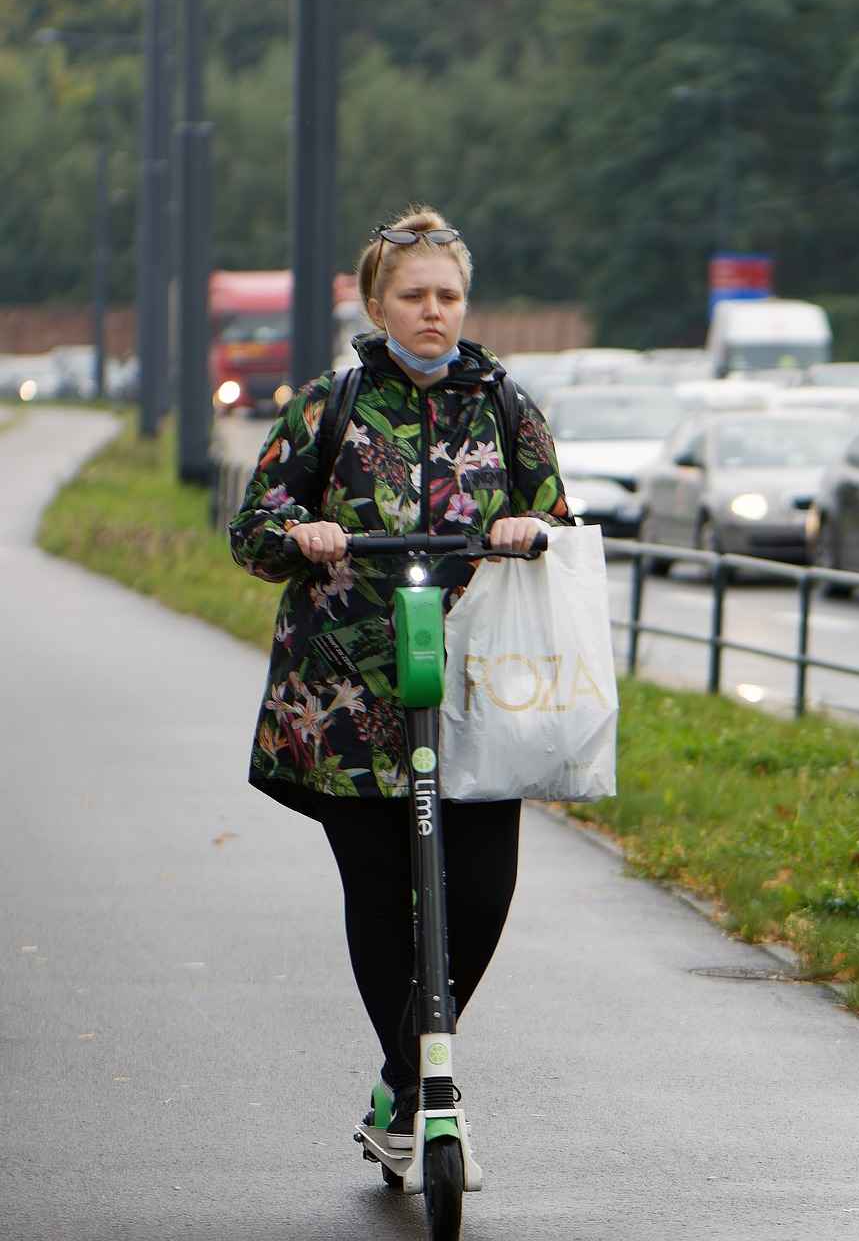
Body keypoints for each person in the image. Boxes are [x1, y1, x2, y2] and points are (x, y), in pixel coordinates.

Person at [229, 204, 572, 1144]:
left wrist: (529, 529)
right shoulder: (326, 405)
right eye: (414, 296)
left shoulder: (507, 408)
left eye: (448, 296)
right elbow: (251, 532)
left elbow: (560, 524)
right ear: (377, 305)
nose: (433, 312)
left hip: (478, 689)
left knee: (483, 893)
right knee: (381, 896)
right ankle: (420, 1091)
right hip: (347, 696)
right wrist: (300, 533)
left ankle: (402, 1078)